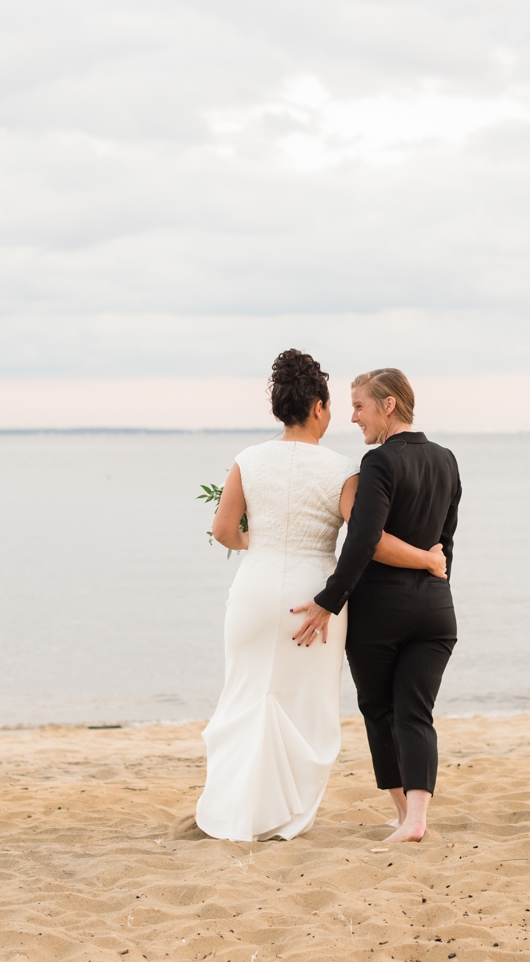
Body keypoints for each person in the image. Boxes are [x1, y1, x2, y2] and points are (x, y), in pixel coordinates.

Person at [196, 351, 446, 842]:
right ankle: (283, 815)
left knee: (246, 695)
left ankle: (234, 810)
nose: (338, 417)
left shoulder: (248, 460)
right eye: (333, 407)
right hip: (313, 599)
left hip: (254, 591)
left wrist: (263, 544)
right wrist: (427, 558)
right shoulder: (342, 470)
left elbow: (223, 530)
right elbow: (367, 540)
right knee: (303, 706)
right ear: (317, 408)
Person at [292, 368, 460, 843]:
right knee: (416, 712)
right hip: (435, 612)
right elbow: (444, 547)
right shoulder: (447, 460)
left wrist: (329, 599)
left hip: (380, 613)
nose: (353, 416)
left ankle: (406, 813)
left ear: (389, 405)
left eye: (360, 405)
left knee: (380, 710)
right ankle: (417, 818)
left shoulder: (379, 463)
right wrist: (436, 590)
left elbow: (362, 540)